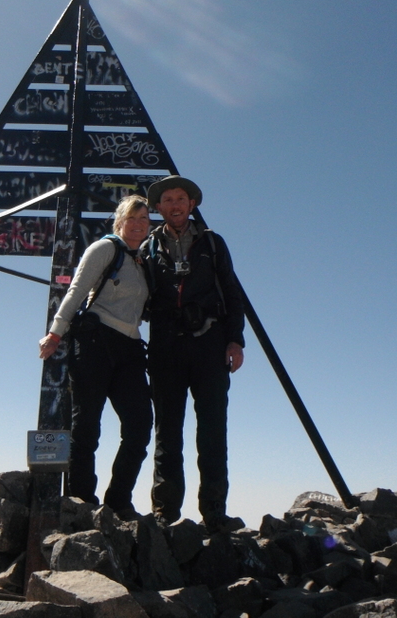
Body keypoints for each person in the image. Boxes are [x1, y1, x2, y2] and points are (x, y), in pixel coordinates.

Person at [140, 175, 245, 531]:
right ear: (159, 208)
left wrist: (236, 340)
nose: (174, 204)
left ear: (192, 203)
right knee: (166, 433)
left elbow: (232, 293)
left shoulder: (212, 243)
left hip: (210, 345)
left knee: (213, 431)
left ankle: (214, 512)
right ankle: (164, 512)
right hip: (165, 348)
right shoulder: (147, 249)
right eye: (167, 199)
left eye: (180, 198)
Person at [38, 195, 153, 519]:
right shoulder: (105, 249)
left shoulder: (142, 261)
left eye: (145, 220)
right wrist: (56, 331)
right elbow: (76, 290)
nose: (139, 224)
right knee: (86, 424)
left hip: (130, 348)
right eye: (133, 218)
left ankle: (118, 500)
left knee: (140, 424)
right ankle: (81, 499)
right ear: (120, 221)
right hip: (94, 341)